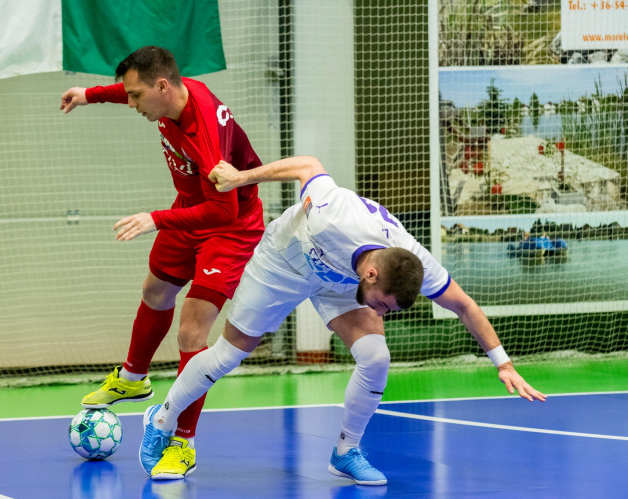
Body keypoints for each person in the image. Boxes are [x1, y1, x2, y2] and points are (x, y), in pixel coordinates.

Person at [139, 155, 547, 483]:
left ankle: (345, 451)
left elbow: (465, 306)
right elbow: (308, 166)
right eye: (383, 305)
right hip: (285, 261)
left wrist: (503, 363)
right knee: (229, 353)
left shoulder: (411, 258)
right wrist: (239, 177)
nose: (380, 313)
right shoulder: (334, 216)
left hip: (338, 280)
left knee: (375, 356)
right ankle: (162, 419)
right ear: (372, 275)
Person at [60, 46, 265, 478]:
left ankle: (182, 443)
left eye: (135, 96)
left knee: (191, 328)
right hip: (192, 208)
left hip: (230, 226)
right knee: (155, 290)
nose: (131, 103)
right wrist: (89, 94)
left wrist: (155, 219)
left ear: (162, 86)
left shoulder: (204, 135)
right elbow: (127, 89)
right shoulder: (170, 96)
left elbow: (224, 213)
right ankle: (133, 378)